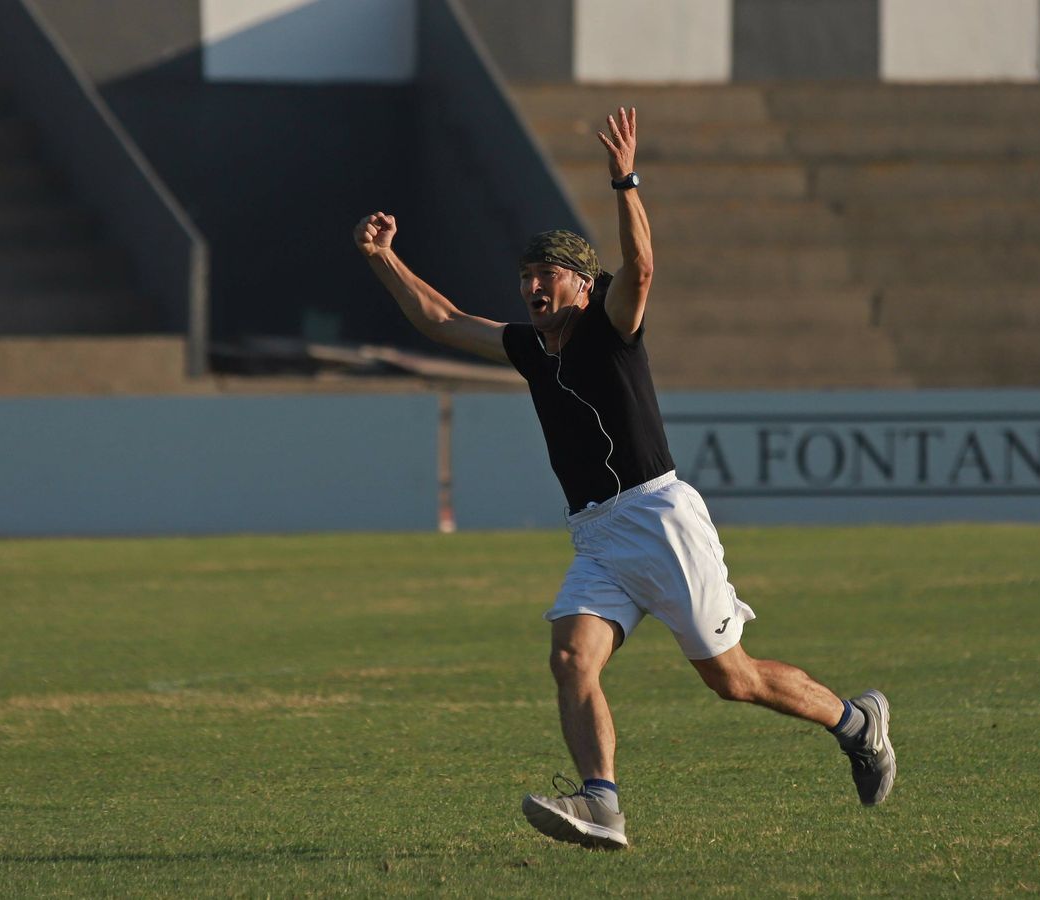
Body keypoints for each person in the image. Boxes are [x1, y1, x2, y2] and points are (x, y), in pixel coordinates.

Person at [351, 108, 894, 850]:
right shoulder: (530, 348)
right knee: (571, 658)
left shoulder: (612, 328)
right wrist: (383, 257)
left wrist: (624, 182)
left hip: (659, 517)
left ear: (581, 284)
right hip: (598, 535)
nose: (532, 287)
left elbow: (640, 269)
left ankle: (856, 722)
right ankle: (601, 803)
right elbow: (442, 320)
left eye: (545, 276)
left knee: (733, 680)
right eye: (525, 277)